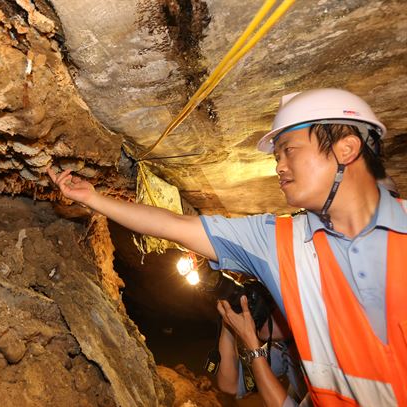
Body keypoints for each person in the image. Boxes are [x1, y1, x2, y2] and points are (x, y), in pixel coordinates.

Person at [48, 88, 407, 406]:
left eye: (288, 150)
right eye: (276, 156)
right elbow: (177, 226)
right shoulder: (278, 241)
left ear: (346, 147)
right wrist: (93, 198)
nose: (279, 166)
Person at [217, 295, 306, 407]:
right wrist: (228, 321)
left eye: (269, 301)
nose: (257, 308)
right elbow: (229, 384)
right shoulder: (283, 347)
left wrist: (252, 345)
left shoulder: (324, 353)